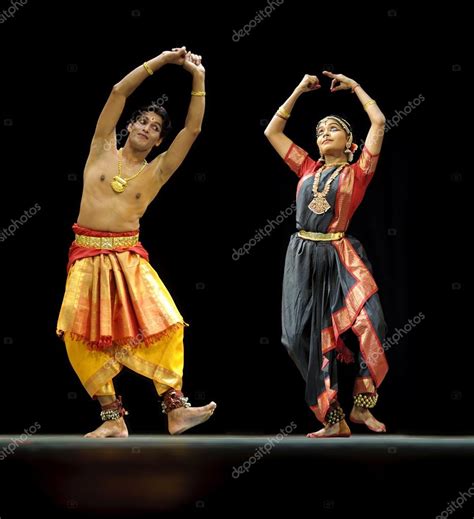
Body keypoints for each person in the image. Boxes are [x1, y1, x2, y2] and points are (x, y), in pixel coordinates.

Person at [57, 47, 216, 438]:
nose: (146, 128)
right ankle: (113, 419)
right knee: (79, 335)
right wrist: (160, 61)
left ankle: (175, 409)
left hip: (128, 256)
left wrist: (198, 78)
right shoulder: (100, 148)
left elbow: (192, 131)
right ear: (130, 126)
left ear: (160, 141)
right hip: (87, 255)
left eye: (154, 128)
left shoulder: (158, 171)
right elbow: (116, 92)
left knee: (166, 323)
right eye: (142, 122)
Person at [264, 70, 388, 438]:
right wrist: (299, 89)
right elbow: (271, 131)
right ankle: (332, 418)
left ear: (350, 142)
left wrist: (357, 87)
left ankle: (363, 405)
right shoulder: (306, 167)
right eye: (319, 131)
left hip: (340, 254)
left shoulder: (359, 172)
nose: (323, 133)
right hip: (302, 255)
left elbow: (379, 121)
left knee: (372, 323)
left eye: (332, 129)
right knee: (297, 338)